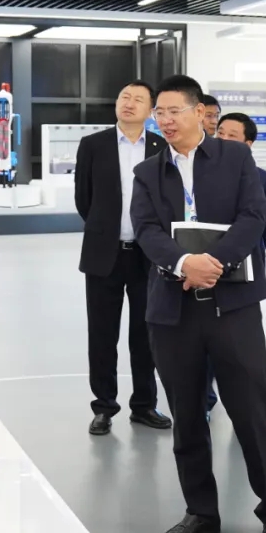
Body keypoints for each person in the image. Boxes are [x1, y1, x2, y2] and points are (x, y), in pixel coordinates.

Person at [131, 75, 266, 533]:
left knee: (251, 411)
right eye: (159, 113)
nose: (165, 120)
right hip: (173, 309)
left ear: (199, 112)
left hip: (233, 306)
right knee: (187, 414)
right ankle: (201, 511)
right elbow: (146, 230)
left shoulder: (235, 158)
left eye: (174, 111)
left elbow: (254, 218)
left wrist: (212, 264)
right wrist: (184, 263)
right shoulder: (148, 172)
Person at [74, 80, 172, 436]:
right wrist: (106, 230)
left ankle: (144, 405)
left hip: (149, 257)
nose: (129, 103)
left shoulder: (162, 146)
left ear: (151, 111)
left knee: (146, 334)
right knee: (102, 334)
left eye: (138, 99)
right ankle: (103, 407)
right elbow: (84, 199)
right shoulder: (93, 145)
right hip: (105, 254)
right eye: (124, 97)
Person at [206, 112, 266, 418]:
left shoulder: (262, 178)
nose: (222, 139)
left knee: (241, 348)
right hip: (202, 270)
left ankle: (245, 411)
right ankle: (206, 400)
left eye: (231, 135)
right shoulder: (199, 172)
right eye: (219, 132)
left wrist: (244, 250)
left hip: (244, 273)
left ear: (248, 144)